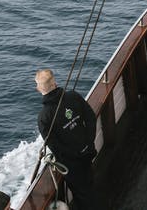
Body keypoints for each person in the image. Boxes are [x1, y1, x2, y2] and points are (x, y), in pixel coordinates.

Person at [35, 69, 103, 210]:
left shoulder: (43, 117)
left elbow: (55, 147)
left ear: (39, 89)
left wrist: (74, 155)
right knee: (89, 183)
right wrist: (88, 142)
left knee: (82, 194)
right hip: (88, 151)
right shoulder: (73, 96)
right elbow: (90, 118)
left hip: (72, 163)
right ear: (55, 83)